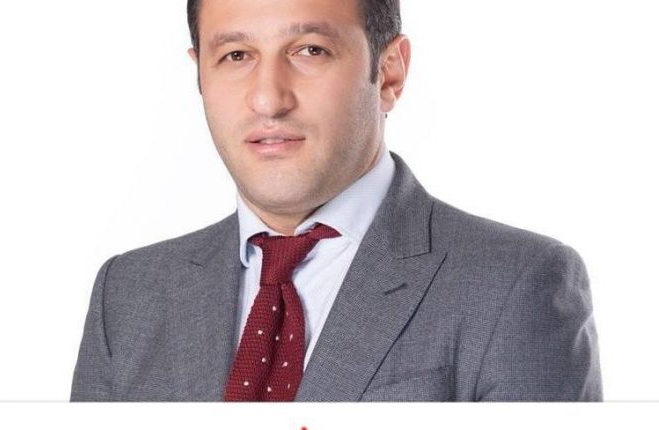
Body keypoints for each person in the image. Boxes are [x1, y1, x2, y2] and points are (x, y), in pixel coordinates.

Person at [70, 0, 602, 401]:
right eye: (236, 56)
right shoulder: (129, 293)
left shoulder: (514, 283)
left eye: (310, 51)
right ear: (200, 75)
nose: (268, 99)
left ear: (389, 71)